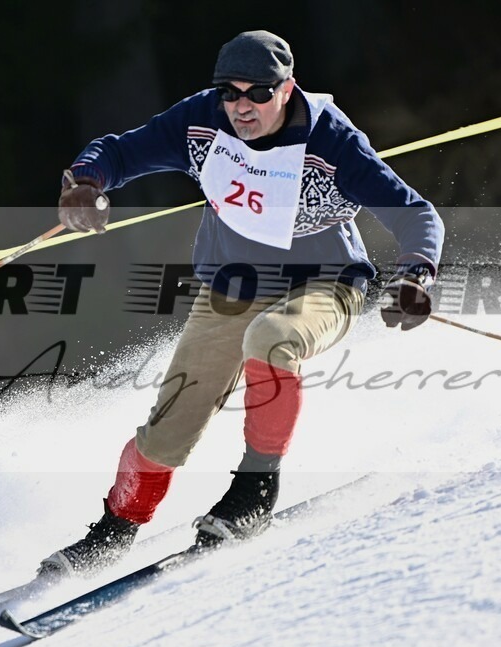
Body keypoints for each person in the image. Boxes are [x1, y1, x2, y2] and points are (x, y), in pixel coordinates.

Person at [39, 30, 444, 577]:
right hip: (231, 289)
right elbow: (119, 151)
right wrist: (85, 183)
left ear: (287, 88)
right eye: (230, 92)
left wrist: (415, 272)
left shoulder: (332, 140)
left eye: (258, 93)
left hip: (325, 285)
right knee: (166, 432)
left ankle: (254, 490)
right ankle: (115, 529)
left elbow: (416, 214)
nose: (242, 106)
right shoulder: (201, 121)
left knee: (272, 339)